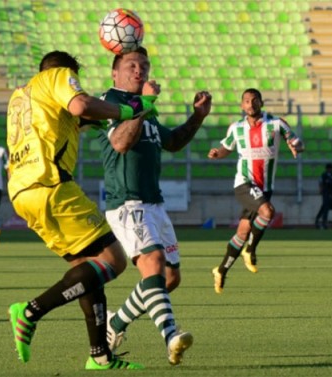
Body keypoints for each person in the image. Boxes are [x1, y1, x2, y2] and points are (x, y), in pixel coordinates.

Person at [6, 50, 157, 370]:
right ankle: (30, 312)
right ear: (65, 72)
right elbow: (80, 104)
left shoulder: (22, 97)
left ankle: (100, 355)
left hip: (22, 193)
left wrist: (118, 109)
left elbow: (80, 116)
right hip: (51, 186)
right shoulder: (58, 76)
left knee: (88, 270)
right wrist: (135, 106)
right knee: (114, 261)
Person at [97, 47, 211, 366]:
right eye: (132, 65)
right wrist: (145, 104)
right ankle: (171, 336)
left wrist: (198, 116)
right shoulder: (112, 102)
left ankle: (115, 325)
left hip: (154, 205)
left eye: (144, 65)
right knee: (153, 261)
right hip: (127, 202)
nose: (140, 70)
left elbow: (171, 142)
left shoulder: (142, 106)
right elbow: (120, 142)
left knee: (170, 278)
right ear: (115, 73)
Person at [208, 88, 304, 294]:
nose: (250, 105)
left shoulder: (276, 123)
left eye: (254, 101)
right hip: (244, 183)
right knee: (268, 212)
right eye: (246, 101)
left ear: (261, 102)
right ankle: (250, 250)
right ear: (242, 105)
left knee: (242, 232)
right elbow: (227, 147)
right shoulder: (237, 128)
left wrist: (297, 146)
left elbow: (294, 140)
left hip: (264, 187)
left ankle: (221, 269)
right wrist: (218, 153)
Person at [315, 163, 332, 229]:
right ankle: (324, 224)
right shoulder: (323, 175)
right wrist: (321, 191)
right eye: (328, 169)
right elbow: (321, 183)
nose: (329, 170)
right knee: (325, 210)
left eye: (330, 169)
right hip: (326, 194)